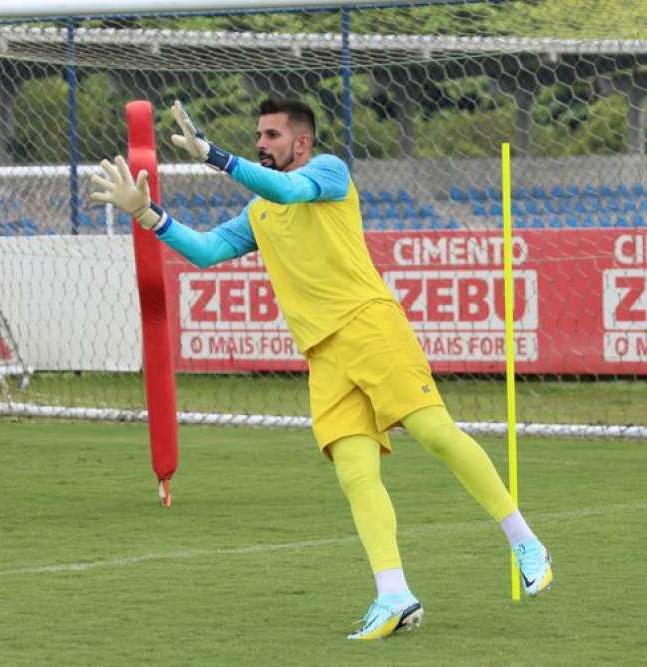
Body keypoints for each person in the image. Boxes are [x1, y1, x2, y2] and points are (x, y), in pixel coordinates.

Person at [91, 97, 553, 640]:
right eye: (258, 135)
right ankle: (395, 595)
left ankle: (524, 540)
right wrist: (147, 214)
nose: (261, 143)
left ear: (302, 143)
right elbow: (207, 250)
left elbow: (290, 189)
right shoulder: (259, 212)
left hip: (371, 326)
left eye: (271, 135)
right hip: (322, 352)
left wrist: (216, 156)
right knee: (357, 475)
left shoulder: (329, 172)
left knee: (435, 433)